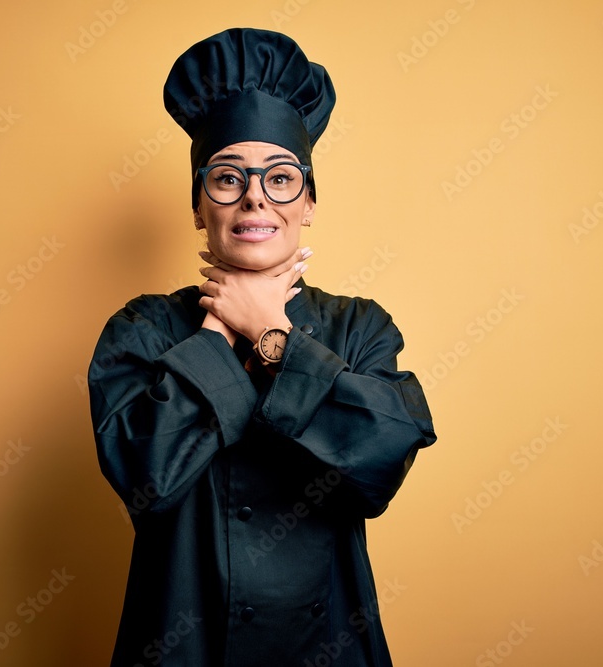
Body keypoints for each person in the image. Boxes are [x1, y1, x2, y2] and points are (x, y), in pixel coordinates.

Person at [88, 27, 437, 666]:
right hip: (180, 643)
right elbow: (145, 480)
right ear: (198, 205)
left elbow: (380, 467)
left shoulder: (360, 327)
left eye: (280, 178)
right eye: (227, 178)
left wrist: (268, 336)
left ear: (309, 202)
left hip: (327, 644)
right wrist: (219, 331)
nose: (254, 195)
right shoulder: (143, 329)